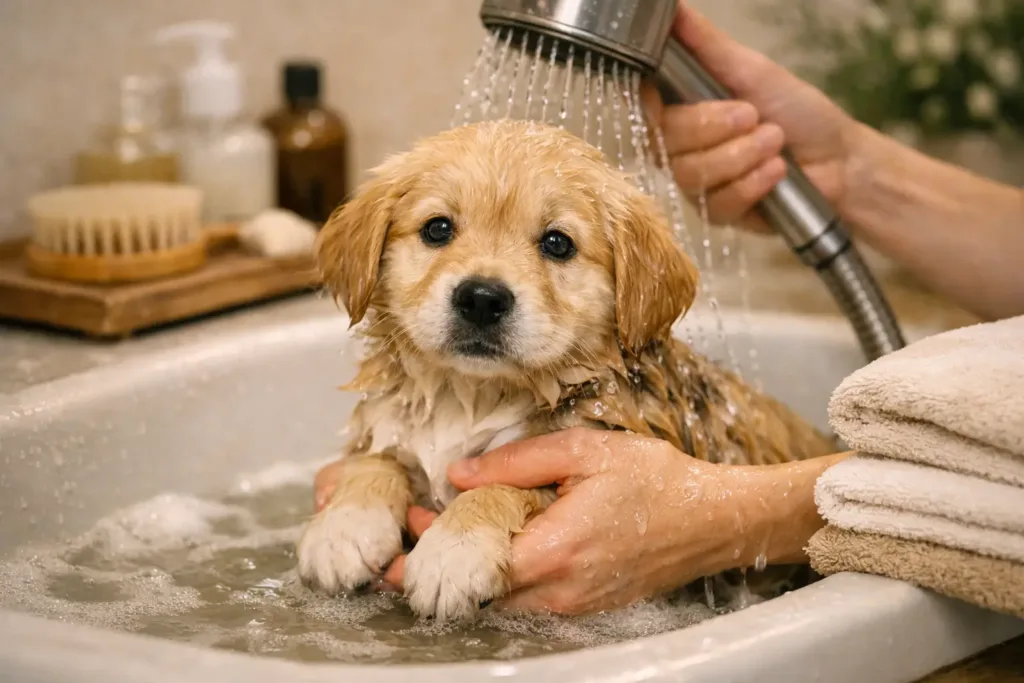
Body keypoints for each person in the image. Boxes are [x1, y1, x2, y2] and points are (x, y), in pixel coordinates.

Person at [314, 4, 1024, 615]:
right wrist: (370, 482)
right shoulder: (398, 390)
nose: (483, 284)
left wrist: (490, 508)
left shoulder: (624, 398)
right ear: (366, 255)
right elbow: (385, 456)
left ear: (636, 293)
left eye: (557, 243)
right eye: (439, 229)